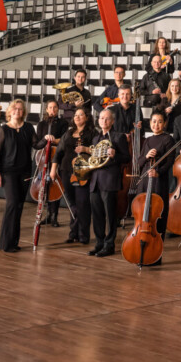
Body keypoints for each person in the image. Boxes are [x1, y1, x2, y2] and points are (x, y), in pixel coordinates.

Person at [0, 99, 37, 253]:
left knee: (19, 206)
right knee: (12, 204)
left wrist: (49, 139)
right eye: (15, 108)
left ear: (24, 112)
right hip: (8, 173)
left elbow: (37, 144)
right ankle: (5, 243)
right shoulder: (4, 129)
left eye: (20, 109)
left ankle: (13, 242)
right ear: (10, 111)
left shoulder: (28, 128)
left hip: (25, 172)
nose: (17, 111)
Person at [88, 107, 131, 259]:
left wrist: (115, 155)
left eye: (106, 119)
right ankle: (99, 243)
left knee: (110, 216)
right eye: (101, 118)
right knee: (97, 215)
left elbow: (126, 158)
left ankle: (109, 245)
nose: (103, 121)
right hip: (95, 182)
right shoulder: (95, 139)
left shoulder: (119, 137)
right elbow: (94, 160)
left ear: (112, 121)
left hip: (109, 181)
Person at [133, 110, 178, 241]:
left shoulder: (168, 139)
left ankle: (156, 244)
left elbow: (170, 162)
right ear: (150, 123)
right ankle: (140, 239)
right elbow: (139, 163)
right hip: (144, 180)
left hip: (158, 180)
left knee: (158, 213)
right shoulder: (147, 140)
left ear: (164, 123)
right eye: (153, 121)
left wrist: (158, 172)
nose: (156, 124)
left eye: (159, 122)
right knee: (142, 211)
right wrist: (147, 156)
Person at [57, 107, 95, 245]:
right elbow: (59, 151)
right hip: (66, 170)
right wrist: (54, 168)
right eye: (76, 115)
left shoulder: (92, 133)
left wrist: (86, 149)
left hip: (82, 172)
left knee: (83, 204)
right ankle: (73, 233)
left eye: (81, 115)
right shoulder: (68, 133)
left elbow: (97, 151)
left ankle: (83, 235)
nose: (77, 117)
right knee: (72, 204)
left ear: (86, 117)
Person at [35, 100, 68, 226]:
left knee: (55, 185)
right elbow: (38, 143)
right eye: (50, 107)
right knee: (45, 187)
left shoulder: (63, 123)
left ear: (58, 109)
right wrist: (45, 139)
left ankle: (54, 216)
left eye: (55, 107)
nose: (52, 110)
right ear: (47, 109)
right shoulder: (42, 124)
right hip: (43, 158)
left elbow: (65, 139)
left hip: (57, 157)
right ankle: (48, 215)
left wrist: (54, 140)